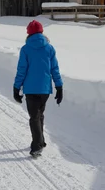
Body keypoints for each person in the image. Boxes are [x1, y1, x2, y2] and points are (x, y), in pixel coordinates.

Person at [13, 20, 63, 157]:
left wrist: (16, 87)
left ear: (28, 33)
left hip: (30, 89)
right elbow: (54, 69)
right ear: (42, 32)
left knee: (34, 117)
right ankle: (41, 140)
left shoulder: (26, 49)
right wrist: (59, 86)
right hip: (45, 89)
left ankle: (37, 146)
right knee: (39, 114)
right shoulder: (49, 48)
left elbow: (22, 70)